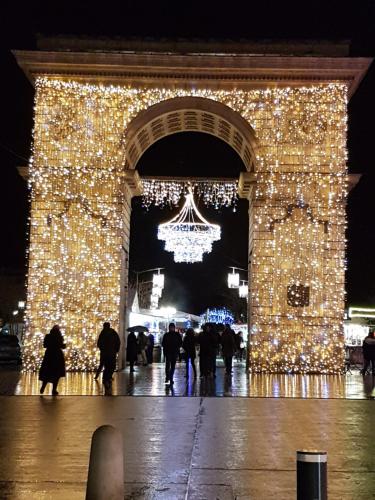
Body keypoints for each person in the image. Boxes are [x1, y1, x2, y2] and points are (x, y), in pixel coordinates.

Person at [39, 325, 66, 395]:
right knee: (56, 374)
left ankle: (43, 386)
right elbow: (62, 346)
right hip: (57, 356)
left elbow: (45, 345)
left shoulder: (48, 336)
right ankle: (54, 390)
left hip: (49, 355)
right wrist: (62, 345)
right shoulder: (59, 337)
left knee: (47, 372)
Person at [97, 322, 120, 393]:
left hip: (106, 353)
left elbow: (99, 343)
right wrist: (116, 350)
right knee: (111, 366)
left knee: (107, 366)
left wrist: (102, 349)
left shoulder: (103, 333)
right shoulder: (113, 332)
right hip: (111, 353)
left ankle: (106, 378)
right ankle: (107, 378)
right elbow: (118, 342)